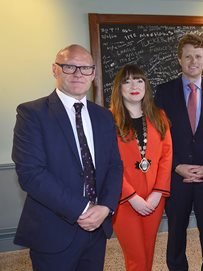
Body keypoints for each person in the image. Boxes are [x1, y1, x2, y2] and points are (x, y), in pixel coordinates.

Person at [11, 44, 123, 271]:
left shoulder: (103, 116)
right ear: (55, 69)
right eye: (69, 67)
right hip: (53, 231)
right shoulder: (32, 114)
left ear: (93, 74)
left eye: (85, 69)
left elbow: (114, 166)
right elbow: (31, 174)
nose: (78, 74)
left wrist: (106, 207)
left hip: (97, 230)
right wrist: (83, 210)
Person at [155, 33, 203, 271]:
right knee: (176, 231)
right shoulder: (163, 93)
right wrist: (177, 165)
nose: (193, 61)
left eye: (198, 56)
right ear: (180, 59)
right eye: (188, 56)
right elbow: (159, 137)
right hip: (176, 177)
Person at [110, 64, 172, 271]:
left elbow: (166, 156)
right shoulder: (108, 120)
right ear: (119, 88)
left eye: (138, 80)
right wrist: (131, 196)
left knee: (148, 252)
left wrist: (157, 193)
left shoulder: (158, 115)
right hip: (124, 201)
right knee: (135, 257)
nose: (133, 85)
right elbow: (109, 165)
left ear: (146, 85)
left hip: (154, 199)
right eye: (126, 81)